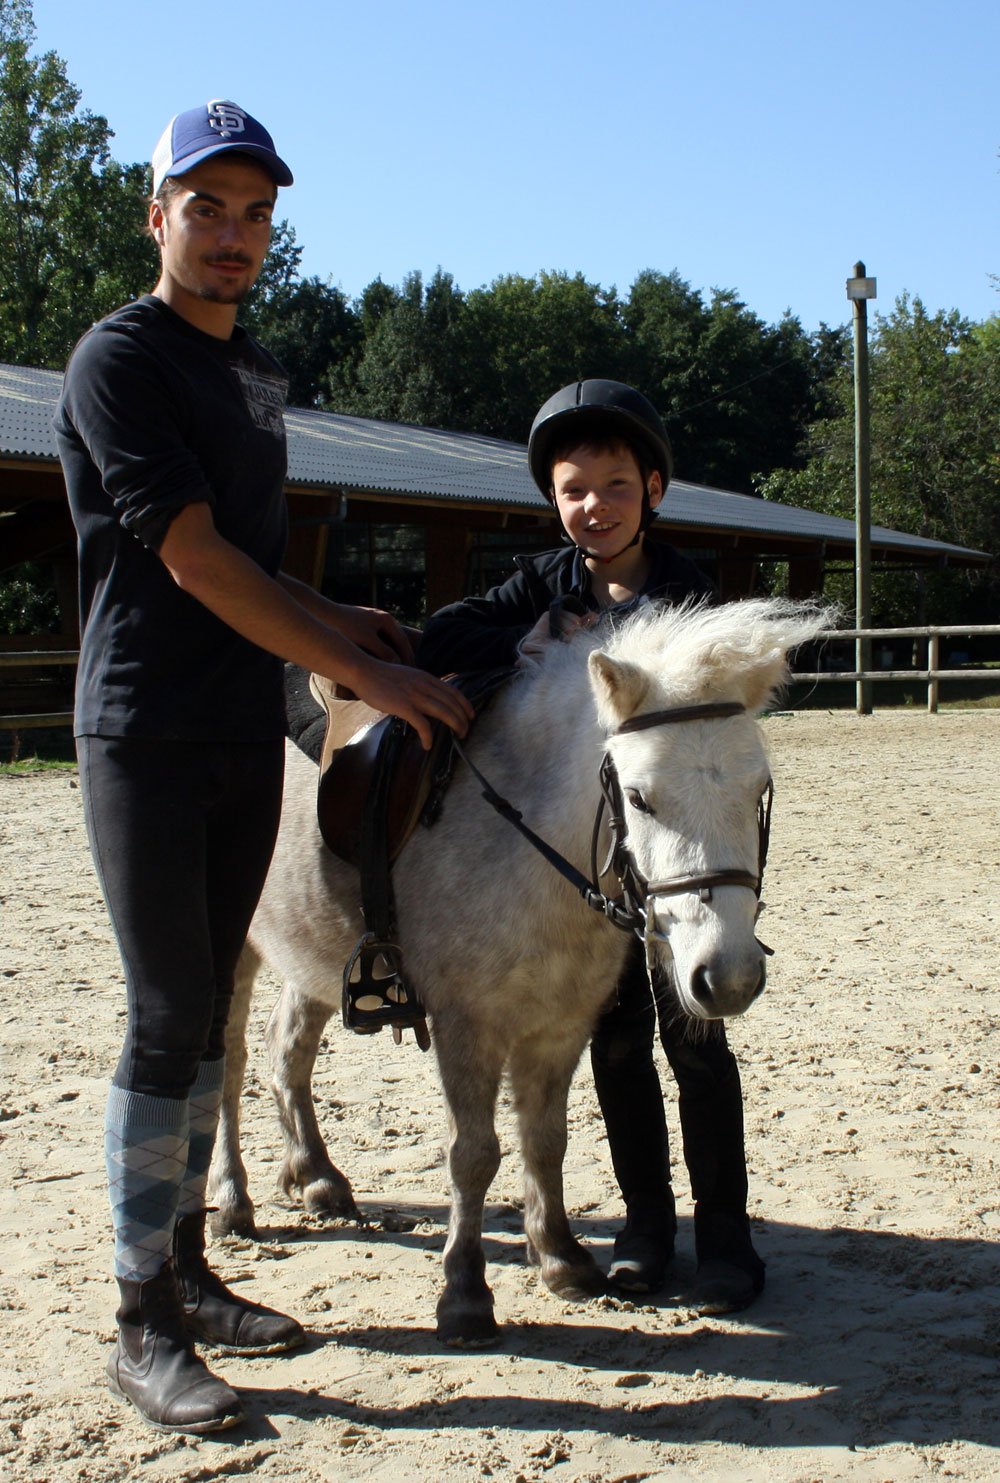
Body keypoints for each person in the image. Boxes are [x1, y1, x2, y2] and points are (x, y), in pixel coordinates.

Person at [54, 99, 471, 1437]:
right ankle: (137, 1318)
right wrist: (387, 682)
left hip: (244, 725)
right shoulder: (117, 359)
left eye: (254, 215)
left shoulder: (255, 373)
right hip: (145, 729)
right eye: (206, 207)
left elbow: (247, 551)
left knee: (208, 1017)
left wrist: (340, 620)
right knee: (171, 1014)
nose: (231, 236)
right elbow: (186, 556)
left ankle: (187, 1268)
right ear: (156, 211)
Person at [419, 379, 765, 1314]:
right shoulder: (545, 585)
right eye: (574, 489)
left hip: (680, 851)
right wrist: (538, 634)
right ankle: (647, 1230)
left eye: (615, 485)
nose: (594, 506)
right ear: (554, 501)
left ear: (653, 487)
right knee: (613, 1045)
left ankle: (725, 1240)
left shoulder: (689, 591)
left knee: (697, 1049)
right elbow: (450, 630)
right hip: (590, 872)